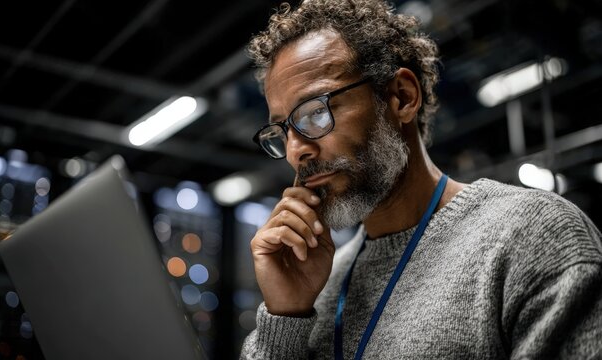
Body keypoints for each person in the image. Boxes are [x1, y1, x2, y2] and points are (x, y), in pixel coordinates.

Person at [240, 0, 602, 358]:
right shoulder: (317, 282)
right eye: (282, 130)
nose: (294, 151)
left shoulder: (533, 235)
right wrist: (285, 317)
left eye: (316, 111)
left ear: (402, 97)